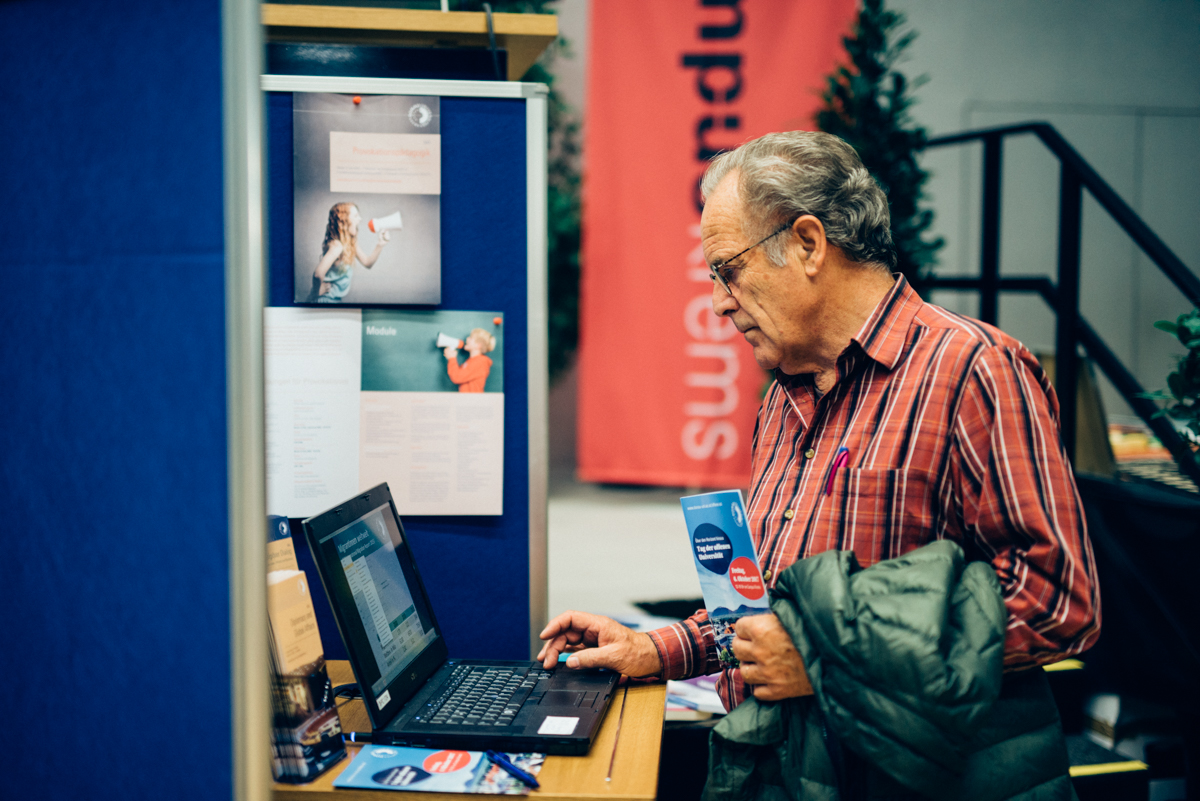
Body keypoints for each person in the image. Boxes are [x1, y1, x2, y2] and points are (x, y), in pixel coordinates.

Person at [538, 131, 1099, 791]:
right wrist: (654, 648)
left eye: (728, 269)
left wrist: (834, 663)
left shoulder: (973, 370)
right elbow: (767, 610)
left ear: (807, 243)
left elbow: (1059, 598)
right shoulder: (784, 402)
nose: (719, 301)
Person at [311, 202, 389, 303]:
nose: (360, 219)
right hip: (326, 300)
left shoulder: (349, 244)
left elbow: (367, 263)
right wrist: (317, 291)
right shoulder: (337, 246)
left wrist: (381, 244)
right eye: (356, 216)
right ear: (343, 221)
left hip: (335, 300)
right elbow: (318, 274)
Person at [444, 328, 496, 393]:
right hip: (469, 399)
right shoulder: (471, 361)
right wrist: (451, 358)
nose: (467, 339)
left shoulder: (480, 362)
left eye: (470, 338)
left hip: (473, 400)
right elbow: (458, 374)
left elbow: (457, 377)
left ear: (478, 345)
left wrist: (451, 358)